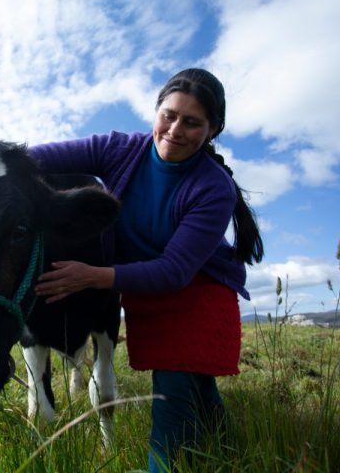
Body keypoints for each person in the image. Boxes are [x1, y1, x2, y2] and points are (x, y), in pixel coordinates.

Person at [30, 68, 264, 471]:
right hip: (147, 291)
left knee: (171, 400)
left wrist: (91, 275)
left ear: (213, 130)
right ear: (156, 111)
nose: (175, 130)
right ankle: (230, 454)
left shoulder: (213, 188)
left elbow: (174, 271)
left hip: (199, 296)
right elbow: (33, 158)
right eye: (168, 116)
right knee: (196, 387)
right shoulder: (120, 149)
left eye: (192, 123)